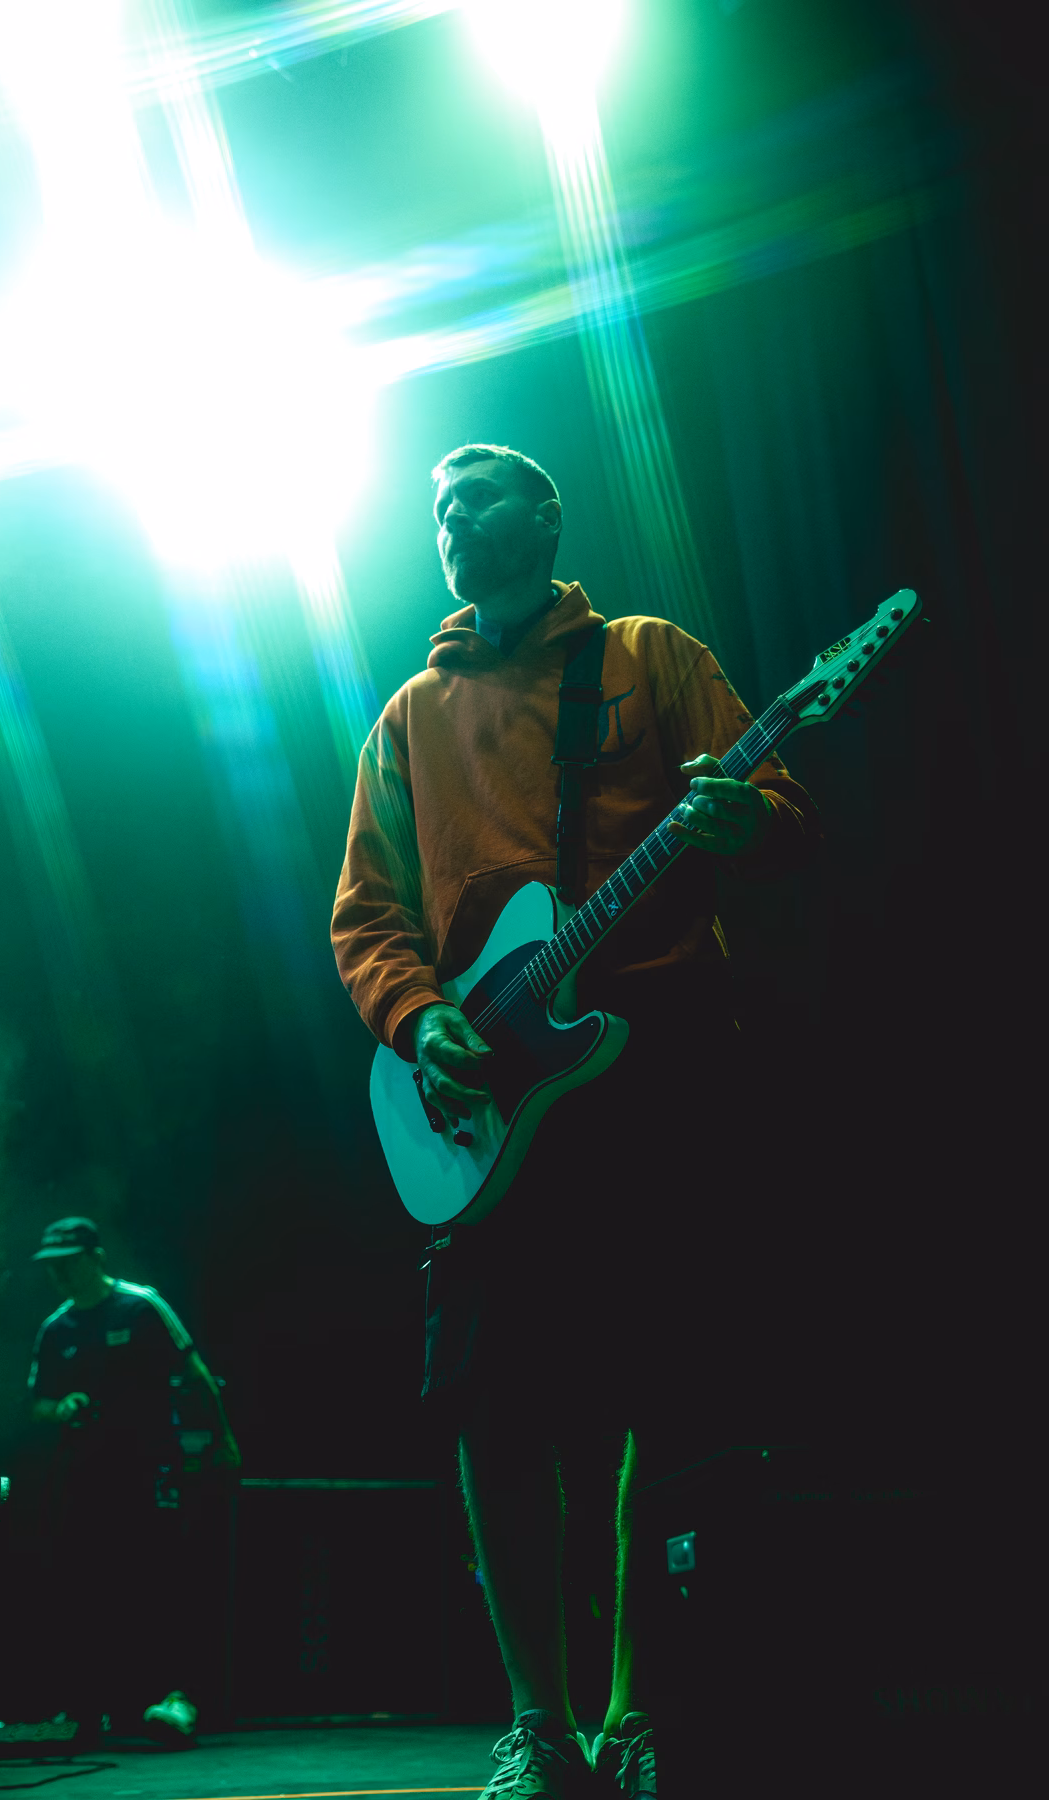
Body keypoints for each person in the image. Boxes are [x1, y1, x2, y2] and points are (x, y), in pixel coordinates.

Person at [331, 446, 821, 1797]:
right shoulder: (406, 720)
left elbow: (777, 809)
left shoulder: (652, 656)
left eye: (482, 494)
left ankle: (637, 1710)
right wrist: (417, 1016)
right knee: (491, 1403)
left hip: (657, 1067)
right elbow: (367, 912)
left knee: (660, 1393)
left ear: (547, 516)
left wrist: (739, 819)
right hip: (489, 1098)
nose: (454, 516)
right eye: (439, 507)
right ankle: (536, 1725)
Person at [28, 1215, 241, 1745]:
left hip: (148, 1468)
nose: (59, 1274)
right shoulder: (56, 1328)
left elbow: (194, 1373)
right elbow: (38, 1403)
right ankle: (91, 1707)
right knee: (87, 1584)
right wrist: (62, 1408)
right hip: (86, 1476)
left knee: (159, 1576)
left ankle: (176, 1696)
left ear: (95, 1257)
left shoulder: (141, 1306)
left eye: (68, 1262)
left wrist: (224, 1440)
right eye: (51, 1266)